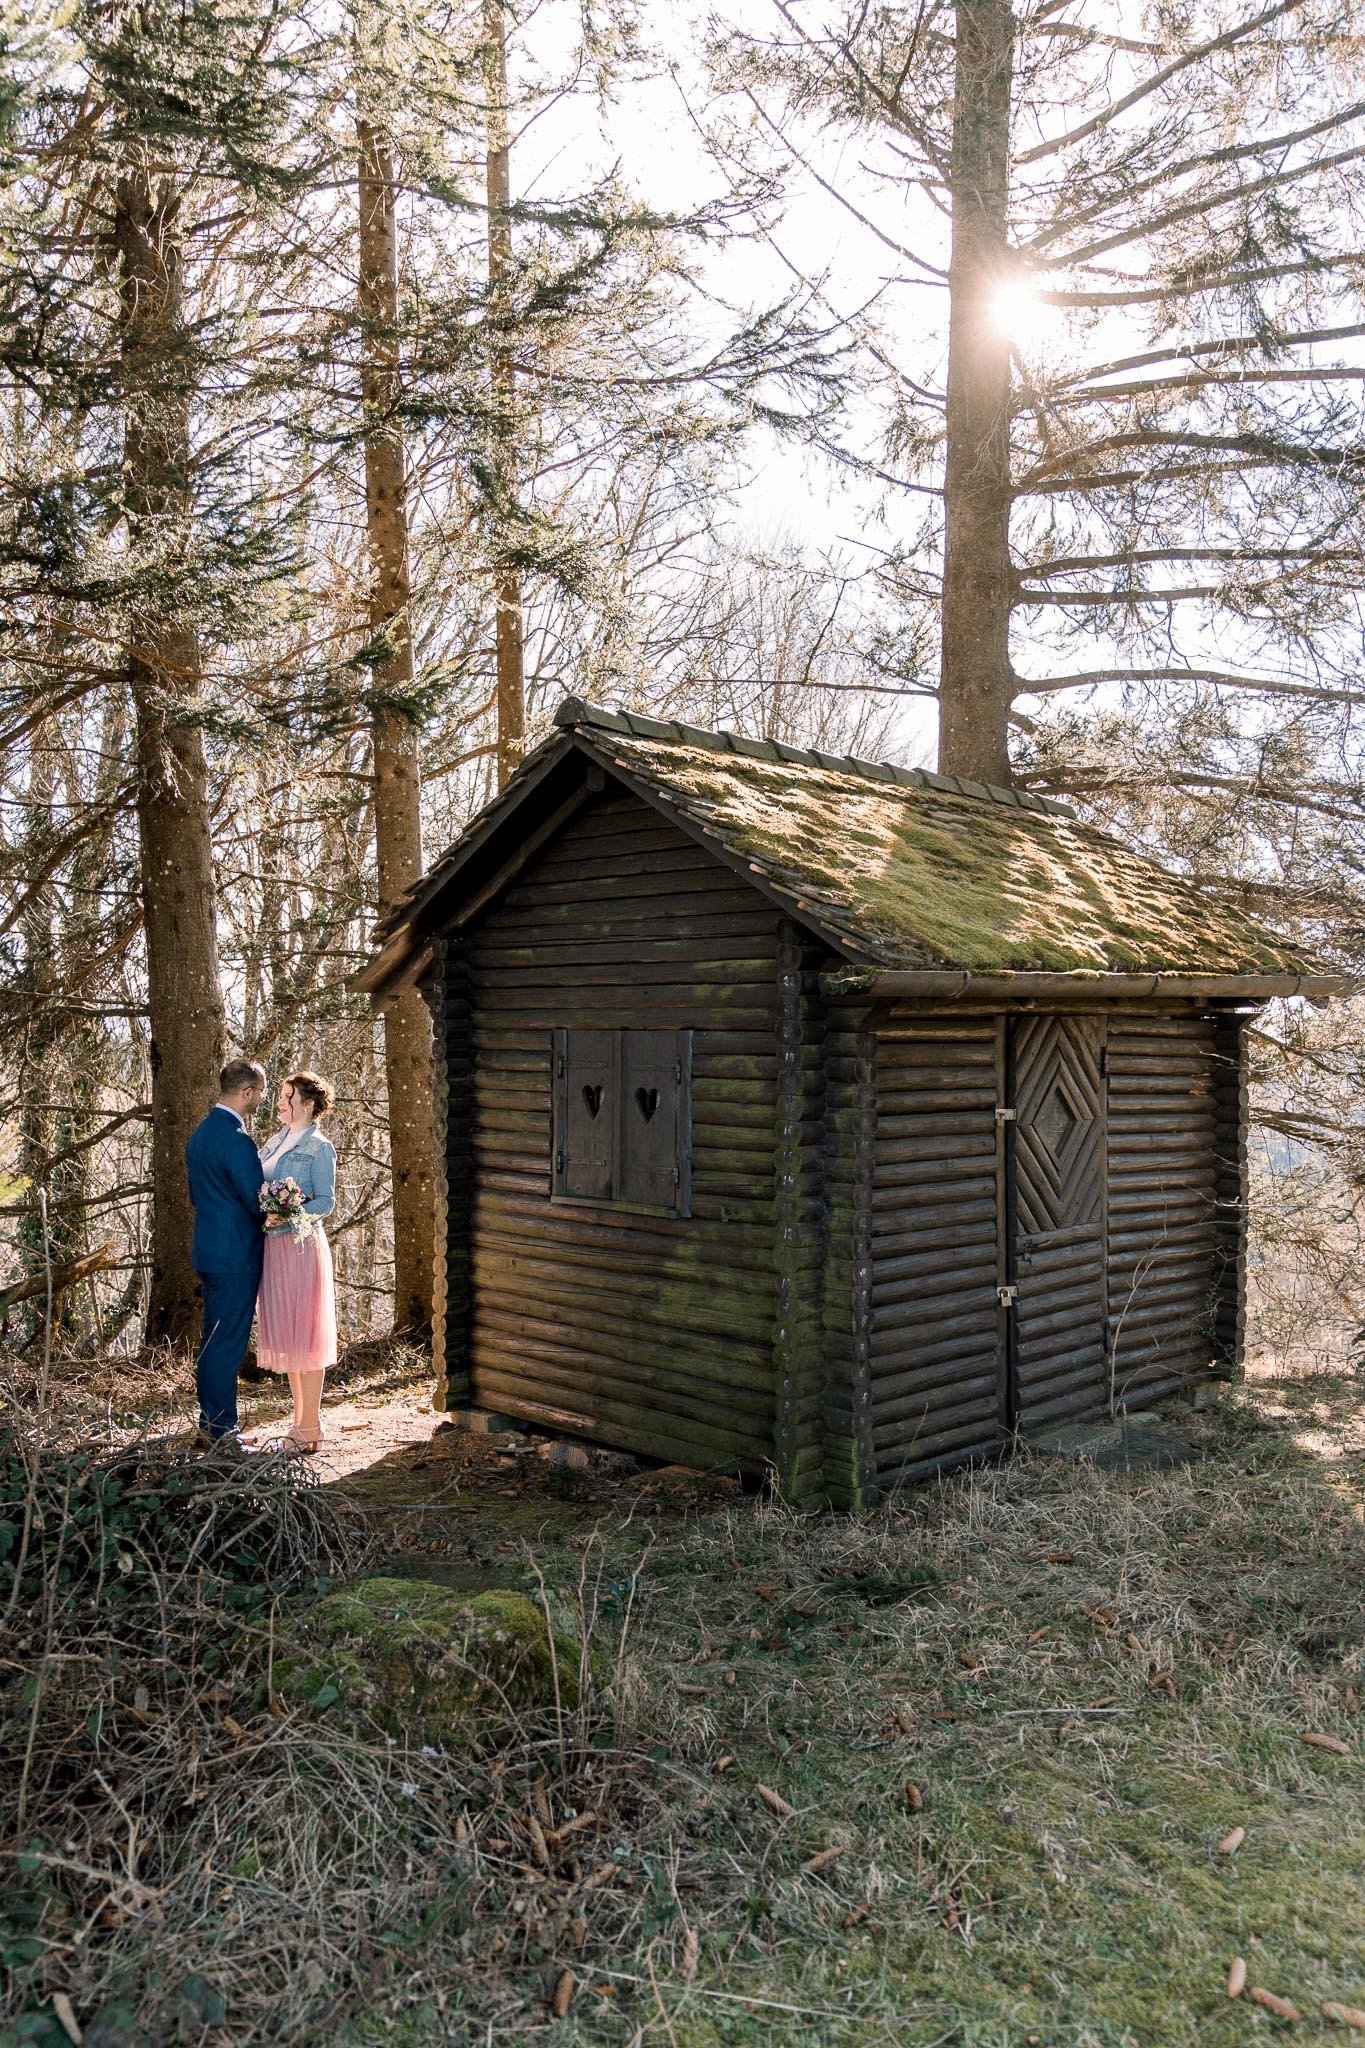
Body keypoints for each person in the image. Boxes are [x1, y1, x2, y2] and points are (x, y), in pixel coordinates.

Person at [185, 1059, 268, 1450]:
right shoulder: (235, 1138)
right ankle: (222, 1433)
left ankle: (210, 1426)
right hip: (235, 1255)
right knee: (226, 1344)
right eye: (261, 1093)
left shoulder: (200, 1134)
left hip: (209, 1249)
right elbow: (256, 1199)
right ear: (247, 1092)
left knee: (214, 1341)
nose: (261, 1101)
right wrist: (282, 1206)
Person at [256, 1071, 339, 1453]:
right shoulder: (274, 1141)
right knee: (291, 1339)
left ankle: (311, 1425)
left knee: (307, 1336)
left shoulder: (320, 1147)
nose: (281, 1101)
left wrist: (293, 1215)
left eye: (288, 1096)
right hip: (274, 1248)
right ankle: (299, 1424)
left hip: (303, 1247)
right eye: (281, 1095)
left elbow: (326, 1201)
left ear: (307, 1103)